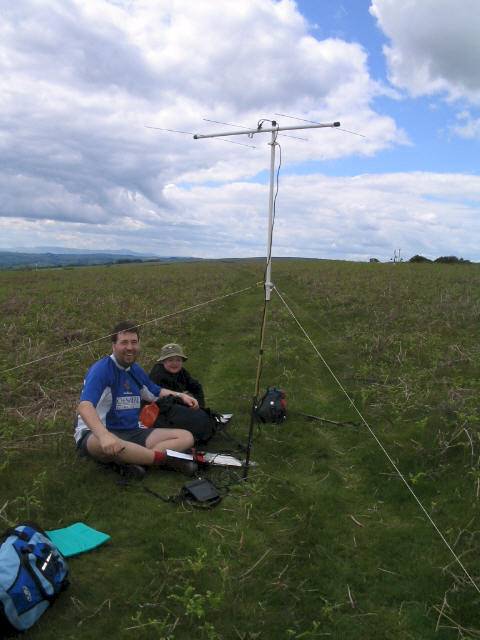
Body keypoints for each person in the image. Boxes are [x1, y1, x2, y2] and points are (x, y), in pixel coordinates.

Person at [74, 322, 196, 476]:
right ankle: (164, 460)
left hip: (132, 431)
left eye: (134, 342)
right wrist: (104, 436)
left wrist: (181, 395)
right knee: (109, 444)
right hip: (97, 434)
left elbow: (154, 392)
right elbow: (85, 406)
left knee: (186, 436)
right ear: (113, 346)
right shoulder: (101, 370)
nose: (130, 347)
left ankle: (137, 459)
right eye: (124, 342)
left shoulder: (135, 369)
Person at [148, 343, 227, 444]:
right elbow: (161, 401)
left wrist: (198, 405)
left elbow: (196, 387)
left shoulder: (182, 373)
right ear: (163, 361)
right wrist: (185, 404)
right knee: (200, 419)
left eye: (178, 360)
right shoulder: (158, 375)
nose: (175, 363)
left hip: (176, 406)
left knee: (202, 416)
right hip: (159, 413)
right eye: (170, 360)